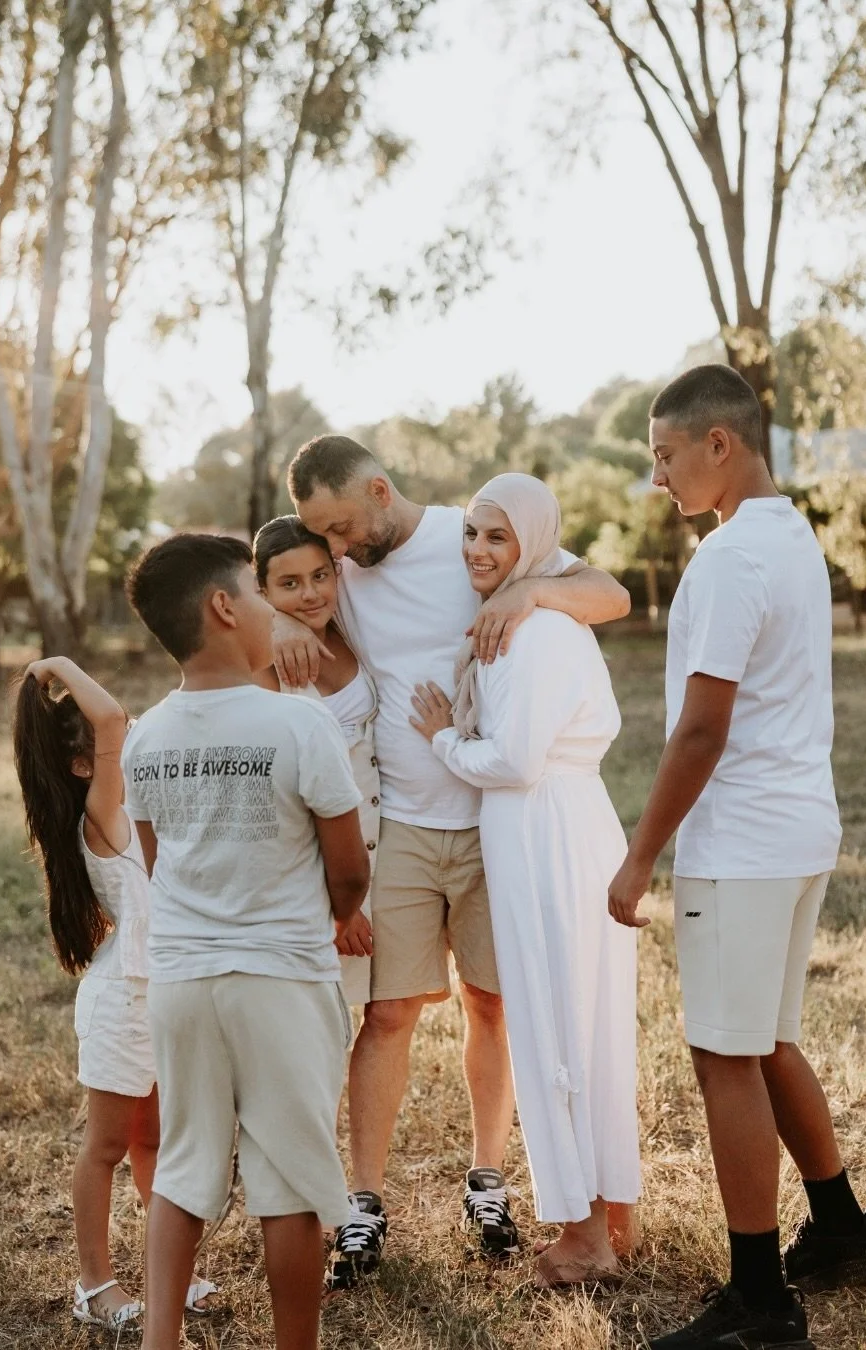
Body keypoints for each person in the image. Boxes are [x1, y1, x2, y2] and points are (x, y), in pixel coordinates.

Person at [279, 435, 631, 1288]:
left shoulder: (477, 532)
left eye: (339, 527)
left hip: (493, 828)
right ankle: (364, 1203)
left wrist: (537, 591)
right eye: (319, 537)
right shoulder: (343, 573)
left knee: (495, 1007)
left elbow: (610, 594)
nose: (332, 550)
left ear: (380, 488)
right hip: (399, 825)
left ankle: (488, 1182)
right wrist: (274, 620)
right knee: (389, 1014)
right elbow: (265, 576)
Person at [607, 366, 866, 1349]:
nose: (658, 478)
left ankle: (760, 1302)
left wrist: (639, 856)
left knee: (724, 1055)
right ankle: (848, 1229)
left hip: (741, 844)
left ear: (717, 445)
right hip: (798, 830)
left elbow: (700, 731)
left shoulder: (731, 557)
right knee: (768, 1041)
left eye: (664, 456)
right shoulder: (790, 536)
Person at [121, 532, 371, 1350]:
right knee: (290, 1177)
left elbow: (160, 864)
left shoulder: (147, 737)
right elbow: (349, 867)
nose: (273, 610)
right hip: (281, 981)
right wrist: (339, 914)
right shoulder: (297, 725)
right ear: (226, 608)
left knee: (185, 1168)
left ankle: (162, 1340)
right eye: (260, 596)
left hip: (184, 982)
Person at [409, 473, 641, 1289]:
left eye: (497, 538)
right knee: (588, 1019)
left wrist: (441, 739)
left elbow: (512, 760)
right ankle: (615, 1214)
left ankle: (586, 1236)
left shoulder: (534, 631)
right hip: (555, 828)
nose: (477, 551)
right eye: (471, 533)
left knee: (556, 1024)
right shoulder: (534, 611)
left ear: (535, 546)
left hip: (547, 835)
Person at [12, 657, 218, 1329]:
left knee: (155, 1142)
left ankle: (169, 1274)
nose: (126, 735)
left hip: (161, 994)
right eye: (113, 741)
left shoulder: (137, 808)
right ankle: (95, 1285)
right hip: (123, 1001)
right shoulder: (104, 810)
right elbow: (107, 716)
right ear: (84, 766)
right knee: (105, 1147)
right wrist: (57, 667)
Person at [253, 514, 379, 1005]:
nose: (310, 594)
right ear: (262, 591)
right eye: (289, 584)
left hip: (380, 856)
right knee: (319, 1022)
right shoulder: (264, 667)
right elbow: (275, 800)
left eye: (319, 576)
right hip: (321, 877)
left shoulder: (351, 629)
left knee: (382, 1015)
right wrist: (335, 906)